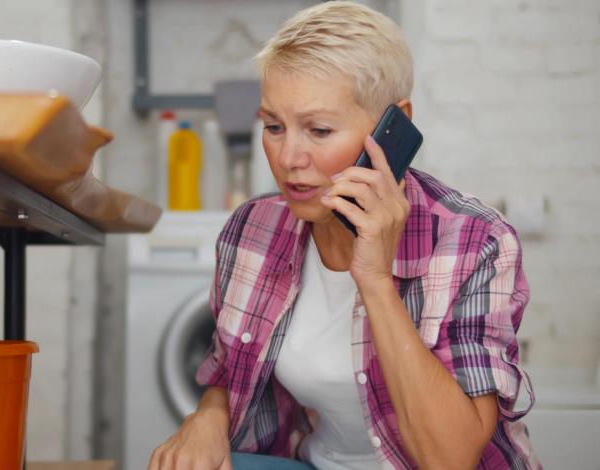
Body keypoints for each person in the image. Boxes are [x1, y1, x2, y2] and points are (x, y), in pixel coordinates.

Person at [147, 2, 539, 469]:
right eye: (273, 126)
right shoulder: (252, 228)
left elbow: (449, 459)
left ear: (395, 126)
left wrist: (374, 279)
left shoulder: (476, 241)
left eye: (319, 130)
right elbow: (230, 375)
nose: (289, 157)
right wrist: (206, 420)